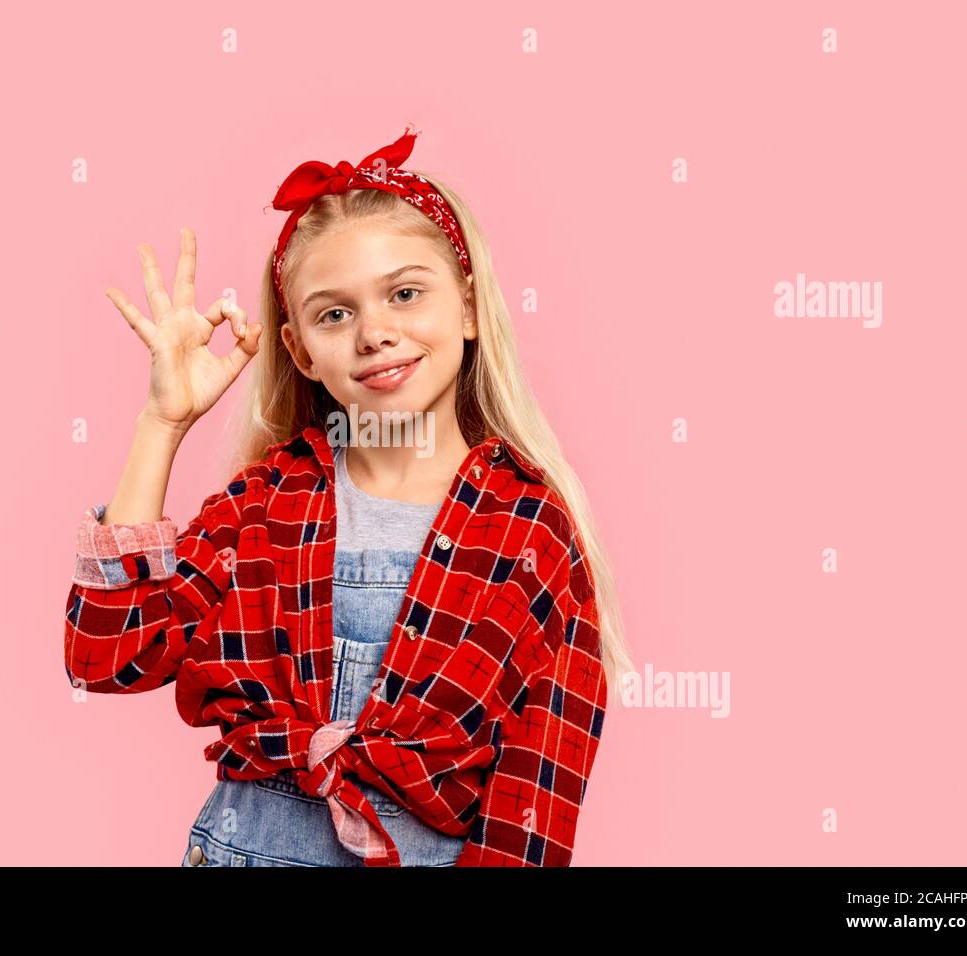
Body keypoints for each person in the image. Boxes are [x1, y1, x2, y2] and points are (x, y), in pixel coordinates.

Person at [63, 126, 632, 866]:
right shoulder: (269, 501)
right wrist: (161, 424)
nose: (375, 333)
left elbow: (535, 805)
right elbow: (107, 654)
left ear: (466, 309)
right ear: (298, 349)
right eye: (335, 313)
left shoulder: (530, 531)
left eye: (404, 293)